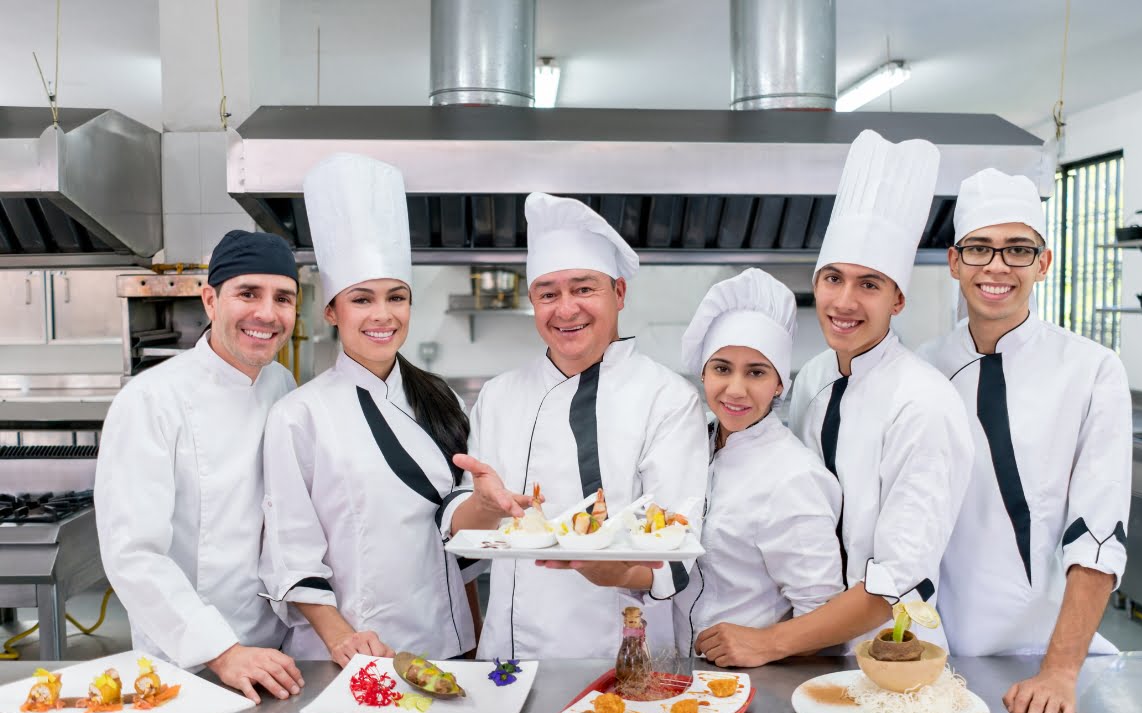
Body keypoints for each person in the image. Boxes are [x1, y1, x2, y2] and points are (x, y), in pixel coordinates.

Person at [699, 130, 975, 668]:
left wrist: (769, 641)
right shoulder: (817, 377)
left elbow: (898, 577)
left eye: (869, 284)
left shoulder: (923, 403)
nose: (844, 301)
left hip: (889, 659)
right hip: (809, 652)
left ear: (897, 299)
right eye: (833, 279)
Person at [259, 154, 526, 666]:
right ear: (332, 312)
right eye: (362, 299)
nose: (382, 315)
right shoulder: (299, 415)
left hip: (445, 648)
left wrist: (468, 644)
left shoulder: (437, 397)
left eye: (396, 297)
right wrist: (345, 643)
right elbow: (291, 553)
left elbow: (456, 547)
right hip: (353, 654)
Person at [919, 168, 1131, 713]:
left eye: (1017, 250)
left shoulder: (1092, 371)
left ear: (1044, 262)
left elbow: (1098, 529)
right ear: (954, 261)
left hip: (1047, 659)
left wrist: (1060, 670)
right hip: (939, 658)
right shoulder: (918, 372)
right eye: (980, 249)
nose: (996, 267)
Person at [469, 192, 708, 659]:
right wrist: (478, 505)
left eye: (583, 289)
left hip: (621, 655)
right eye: (548, 294)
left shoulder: (667, 400)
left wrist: (614, 571)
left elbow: (681, 547)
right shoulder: (498, 396)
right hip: (506, 653)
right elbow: (477, 524)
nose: (565, 309)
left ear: (619, 293)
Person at [96, 230, 304, 704]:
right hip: (184, 661)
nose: (267, 314)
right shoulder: (150, 401)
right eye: (248, 293)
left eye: (283, 298)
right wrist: (222, 651)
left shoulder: (281, 383)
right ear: (210, 300)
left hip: (272, 654)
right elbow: (133, 555)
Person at [673, 268, 844, 664]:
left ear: (779, 383)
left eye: (756, 372)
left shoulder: (793, 476)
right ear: (703, 372)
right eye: (721, 368)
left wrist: (765, 648)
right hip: (682, 671)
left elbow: (821, 610)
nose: (735, 389)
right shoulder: (688, 447)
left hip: (752, 680)